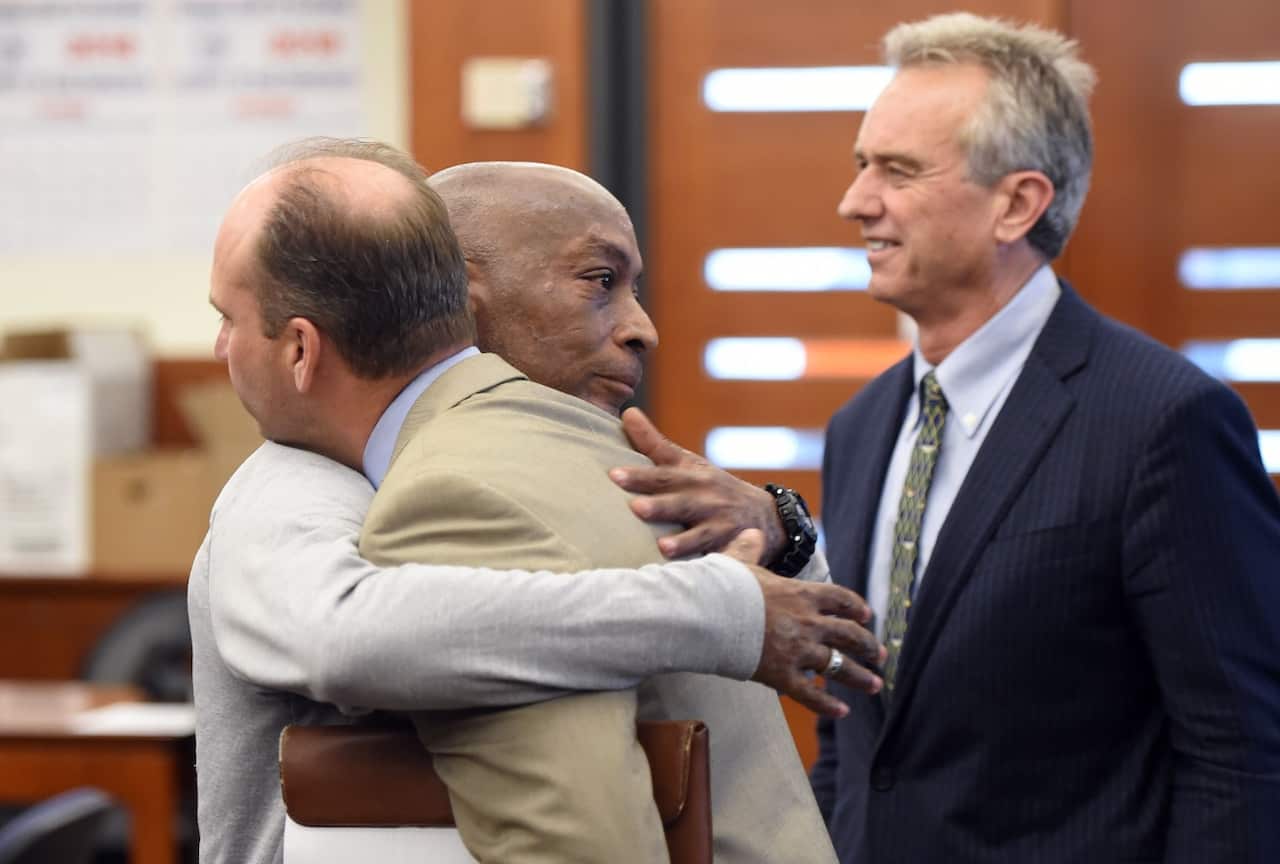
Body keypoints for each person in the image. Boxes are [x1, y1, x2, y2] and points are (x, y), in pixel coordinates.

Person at [190, 141, 880, 864]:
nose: (644, 327)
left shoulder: (556, 466)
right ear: (458, 294)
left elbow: (842, 662)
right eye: (600, 280)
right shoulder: (333, 478)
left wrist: (780, 537)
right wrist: (719, 611)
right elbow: (345, 634)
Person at [810, 12, 1280, 864]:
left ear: (1017, 203)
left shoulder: (1164, 422)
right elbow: (856, 738)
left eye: (898, 170)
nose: (855, 201)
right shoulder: (860, 428)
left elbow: (1241, 755)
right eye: (860, 165)